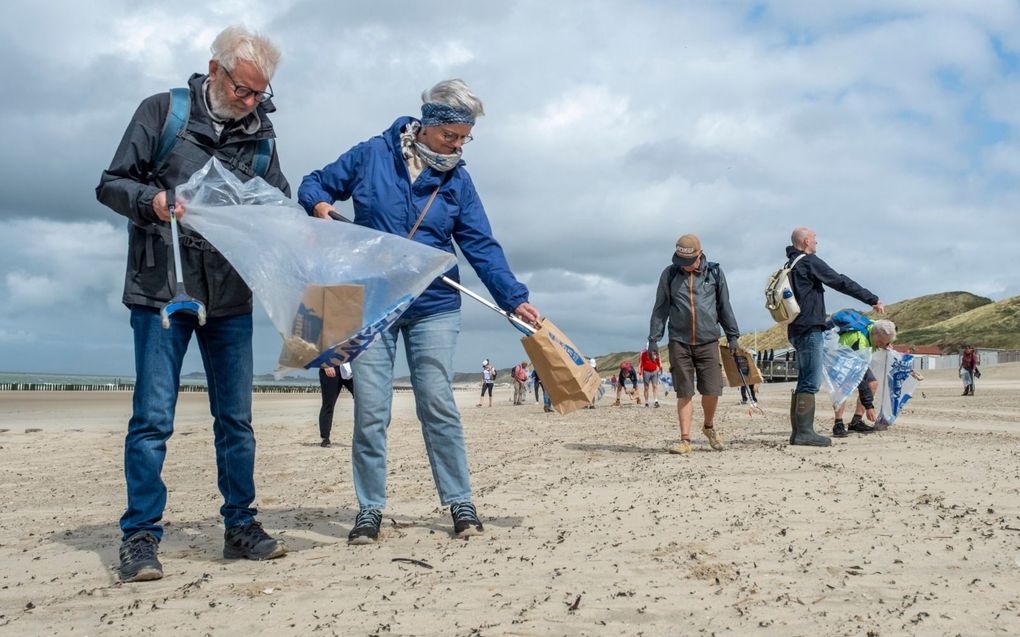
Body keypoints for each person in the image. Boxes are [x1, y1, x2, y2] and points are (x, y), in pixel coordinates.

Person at [298, 79, 540, 544]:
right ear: (428, 124)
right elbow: (314, 183)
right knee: (371, 410)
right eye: (452, 134)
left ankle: (460, 501)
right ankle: (370, 509)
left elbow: (481, 245)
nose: (458, 144)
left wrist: (514, 298)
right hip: (369, 302)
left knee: (437, 403)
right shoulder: (372, 154)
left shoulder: (457, 181)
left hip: (433, 305)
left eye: (465, 137)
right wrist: (321, 206)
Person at [95, 26, 289, 582]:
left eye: (261, 93)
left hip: (231, 294)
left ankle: (240, 526)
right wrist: (150, 202)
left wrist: (303, 225)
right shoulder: (163, 113)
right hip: (163, 289)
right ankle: (139, 537)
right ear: (215, 69)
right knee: (153, 418)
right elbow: (110, 184)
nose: (252, 102)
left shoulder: (263, 138)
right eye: (244, 89)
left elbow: (276, 204)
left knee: (236, 420)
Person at [784, 227, 884, 447]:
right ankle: (804, 433)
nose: (817, 243)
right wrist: (871, 299)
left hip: (794, 328)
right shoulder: (808, 261)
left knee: (804, 379)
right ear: (806, 241)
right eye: (815, 239)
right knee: (810, 382)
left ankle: (799, 432)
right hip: (809, 328)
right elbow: (839, 281)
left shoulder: (789, 265)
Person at [648, 234, 740, 454]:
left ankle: (708, 426)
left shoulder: (715, 273)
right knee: (684, 392)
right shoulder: (670, 274)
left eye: (689, 262)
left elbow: (724, 306)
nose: (685, 267)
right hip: (679, 341)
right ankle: (685, 440)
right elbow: (660, 308)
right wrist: (653, 339)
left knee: (712, 390)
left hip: (708, 340)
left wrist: (733, 335)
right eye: (681, 262)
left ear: (700, 255)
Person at [831, 319, 897, 436]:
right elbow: (860, 378)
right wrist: (869, 406)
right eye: (881, 342)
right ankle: (838, 423)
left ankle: (856, 422)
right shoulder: (861, 341)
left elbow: (882, 339)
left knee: (873, 384)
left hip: (856, 359)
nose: (882, 345)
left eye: (885, 343)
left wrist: (885, 345)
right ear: (874, 335)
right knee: (843, 388)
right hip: (840, 359)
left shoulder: (874, 328)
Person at [318, 362, 354, 447]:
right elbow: (316, 349)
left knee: (363, 401)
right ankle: (325, 438)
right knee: (328, 405)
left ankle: (365, 437)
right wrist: (325, 364)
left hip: (350, 367)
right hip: (331, 366)